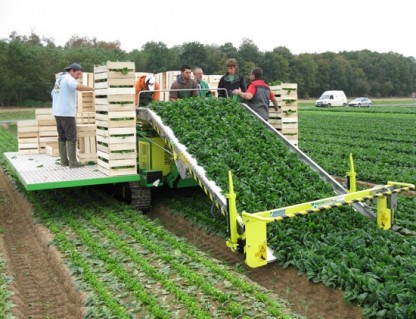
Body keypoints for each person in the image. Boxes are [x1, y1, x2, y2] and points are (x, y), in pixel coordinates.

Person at [51, 63, 94, 168]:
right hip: (66, 113)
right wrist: (93, 89)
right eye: (78, 74)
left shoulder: (59, 80)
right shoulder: (69, 78)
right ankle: (73, 162)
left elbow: (52, 93)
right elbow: (77, 86)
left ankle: (64, 161)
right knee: (71, 138)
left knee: (62, 137)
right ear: (73, 71)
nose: (78, 76)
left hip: (57, 112)